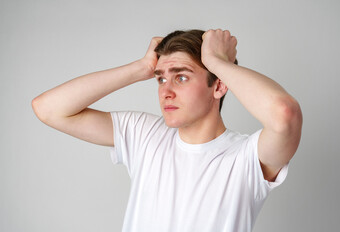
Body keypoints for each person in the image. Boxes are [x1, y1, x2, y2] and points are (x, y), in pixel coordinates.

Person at [32, 29, 302, 232]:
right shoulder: (144, 134)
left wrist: (218, 62)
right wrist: (141, 68)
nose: (166, 91)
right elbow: (48, 109)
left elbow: (284, 115)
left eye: (181, 77)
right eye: (161, 79)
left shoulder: (247, 158)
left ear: (218, 86)